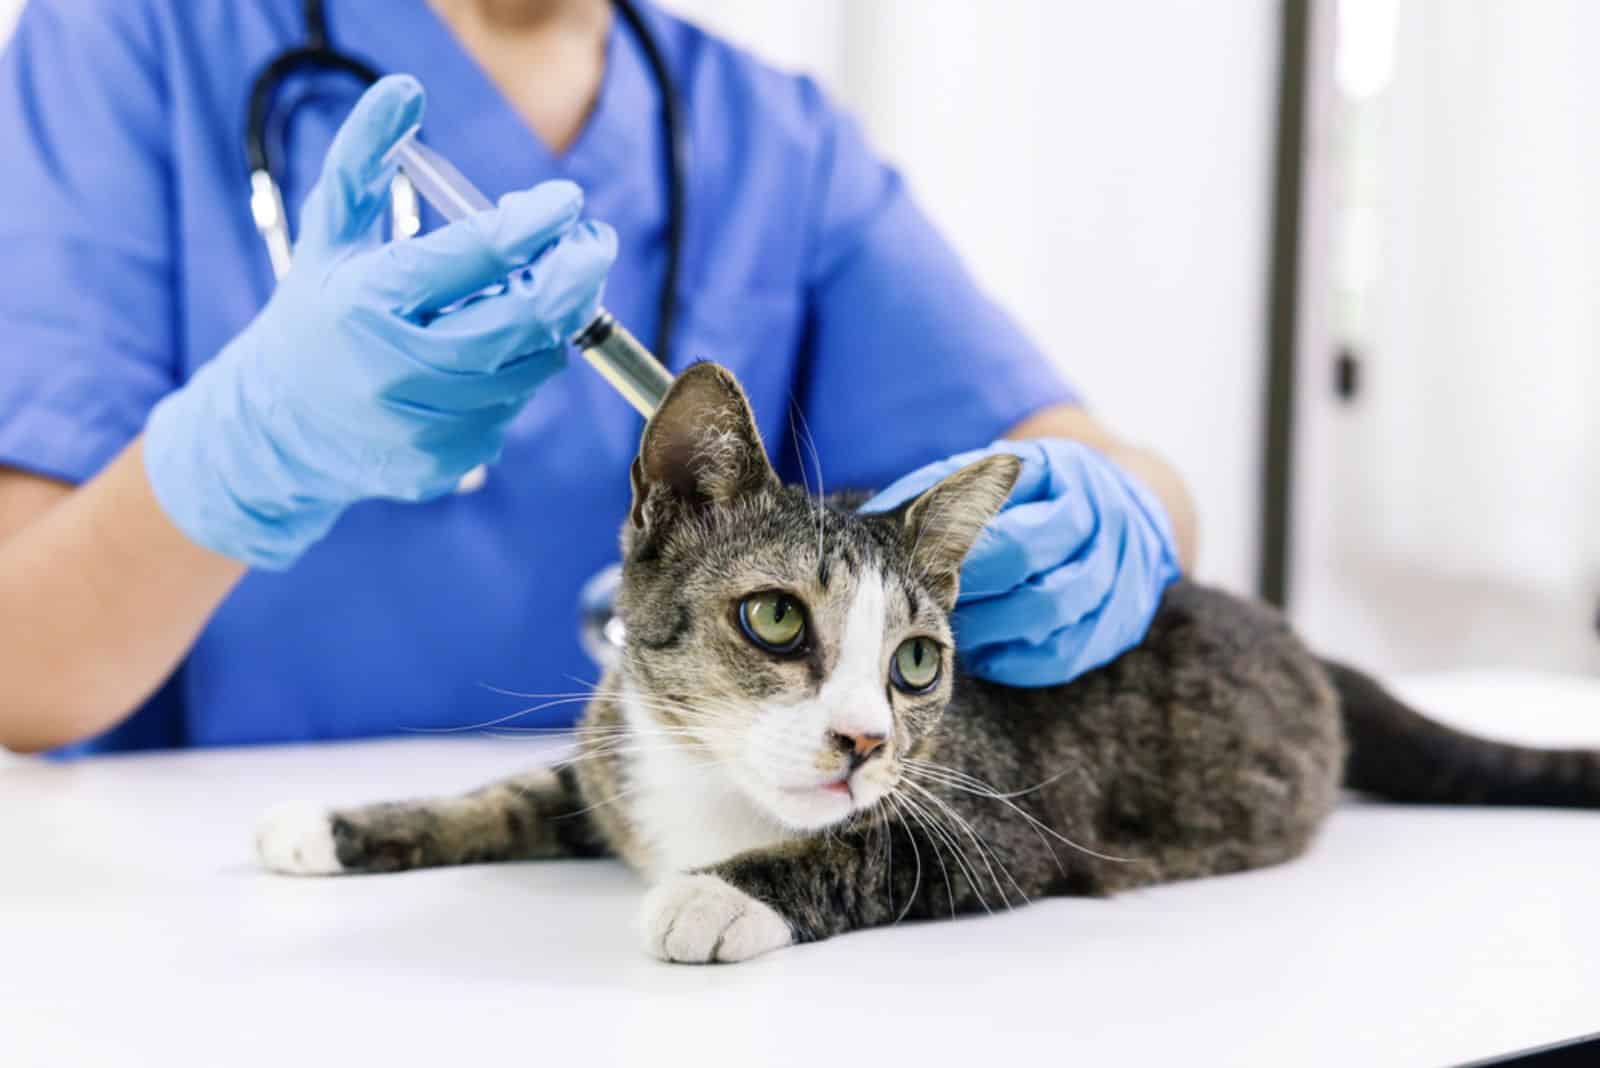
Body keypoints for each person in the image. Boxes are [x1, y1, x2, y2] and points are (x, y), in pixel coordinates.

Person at [0, 0, 1196, 756]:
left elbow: (1103, 468)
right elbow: (20, 669)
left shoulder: (771, 139)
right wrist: (247, 452)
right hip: (219, 908)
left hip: (660, 904)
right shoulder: (128, 38)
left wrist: (1115, 516)